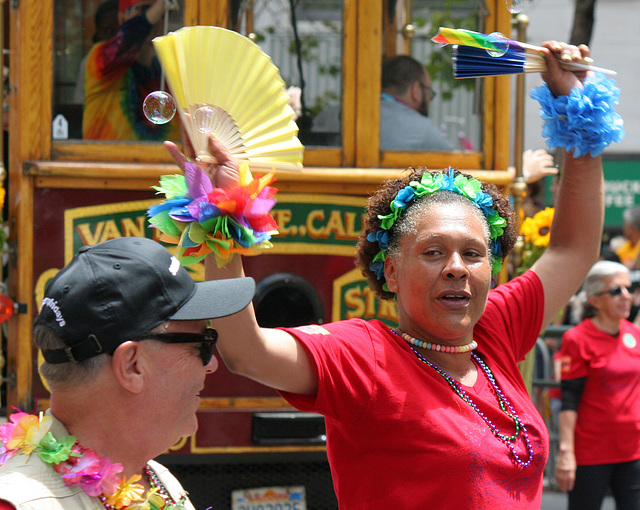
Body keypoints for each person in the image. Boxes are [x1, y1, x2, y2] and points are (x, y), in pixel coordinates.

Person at [151, 40, 622, 508]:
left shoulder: (494, 330)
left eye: (474, 254)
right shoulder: (366, 358)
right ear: (392, 271)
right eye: (434, 252)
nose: (457, 268)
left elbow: (573, 250)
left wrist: (574, 104)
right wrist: (223, 211)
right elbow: (245, 350)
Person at [0, 237, 255, 509]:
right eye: (202, 345)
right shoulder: (23, 502)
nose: (211, 364)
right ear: (132, 365)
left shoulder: (154, 480)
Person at [556, 260, 640, 509]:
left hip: (633, 451)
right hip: (591, 453)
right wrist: (566, 452)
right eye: (616, 291)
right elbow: (569, 399)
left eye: (629, 288)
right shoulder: (577, 339)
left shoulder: (635, 335)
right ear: (594, 300)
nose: (626, 296)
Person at [311, 55, 454, 151]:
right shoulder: (423, 130)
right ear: (416, 91)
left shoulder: (328, 115)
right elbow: (456, 166)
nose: (429, 99)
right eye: (428, 91)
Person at [82, 0, 180, 141]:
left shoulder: (167, 74)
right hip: (106, 160)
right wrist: (159, 7)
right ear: (121, 18)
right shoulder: (99, 57)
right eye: (143, 9)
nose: (155, 17)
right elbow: (129, 38)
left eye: (161, 12)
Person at [73, 0, 120, 105]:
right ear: (98, 34)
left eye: (120, 32)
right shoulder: (90, 63)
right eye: (108, 31)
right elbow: (79, 105)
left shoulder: (137, 61)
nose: (115, 38)